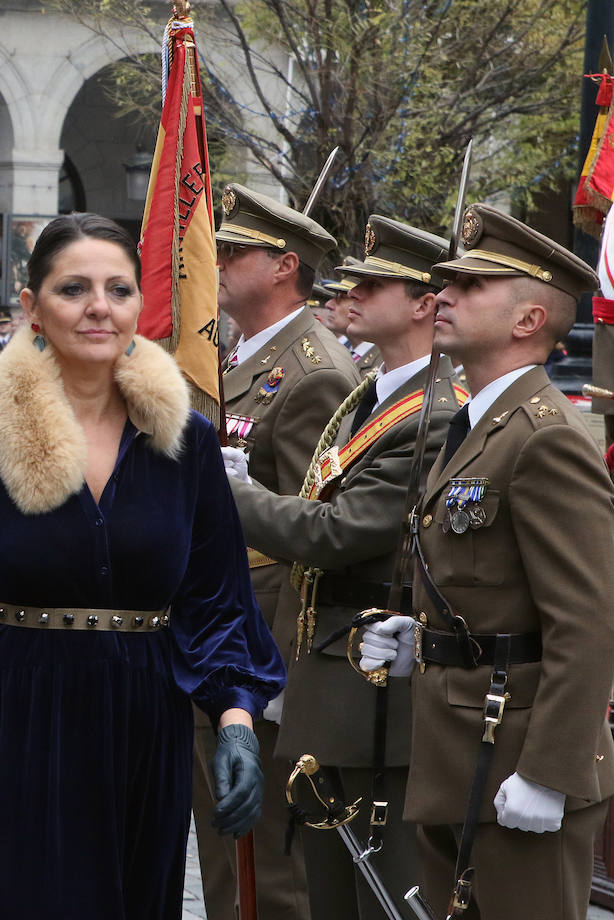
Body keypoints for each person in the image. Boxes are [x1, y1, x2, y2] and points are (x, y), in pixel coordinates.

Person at [0, 213, 284, 918]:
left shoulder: (187, 444)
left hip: (142, 726)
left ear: (140, 305)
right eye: (73, 288)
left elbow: (218, 600)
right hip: (3, 722)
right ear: (32, 308)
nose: (99, 307)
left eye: (117, 289)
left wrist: (235, 720)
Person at [360, 204, 614, 920]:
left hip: (515, 758)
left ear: (528, 319)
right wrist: (421, 635)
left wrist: (551, 773)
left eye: (470, 286)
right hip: (457, 747)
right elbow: (483, 580)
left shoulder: (543, 438)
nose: (441, 295)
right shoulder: (477, 423)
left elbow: (589, 622)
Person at [222, 216, 461, 920]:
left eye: (373, 284)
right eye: (352, 281)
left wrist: (235, 496)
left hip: (374, 690)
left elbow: (340, 532)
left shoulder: (432, 411)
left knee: (378, 891)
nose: (349, 294)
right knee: (330, 891)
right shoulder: (371, 391)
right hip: (326, 674)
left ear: (423, 302)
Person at [195, 182, 357, 920]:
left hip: (260, 634)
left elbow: (313, 532)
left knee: (265, 864)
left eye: (234, 252)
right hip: (215, 621)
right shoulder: (238, 354)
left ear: (285, 266)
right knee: (226, 854)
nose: (216, 261)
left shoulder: (314, 371)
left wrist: (285, 675)